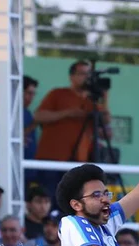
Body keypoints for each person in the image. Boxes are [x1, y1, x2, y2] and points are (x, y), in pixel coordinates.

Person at [34, 60, 112, 191]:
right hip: (51, 160)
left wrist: (104, 99)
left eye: (89, 74)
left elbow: (106, 128)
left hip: (78, 163)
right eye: (82, 74)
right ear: (71, 77)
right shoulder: (58, 94)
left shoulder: (92, 101)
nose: (86, 78)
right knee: (49, 196)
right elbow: (38, 116)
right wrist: (68, 113)